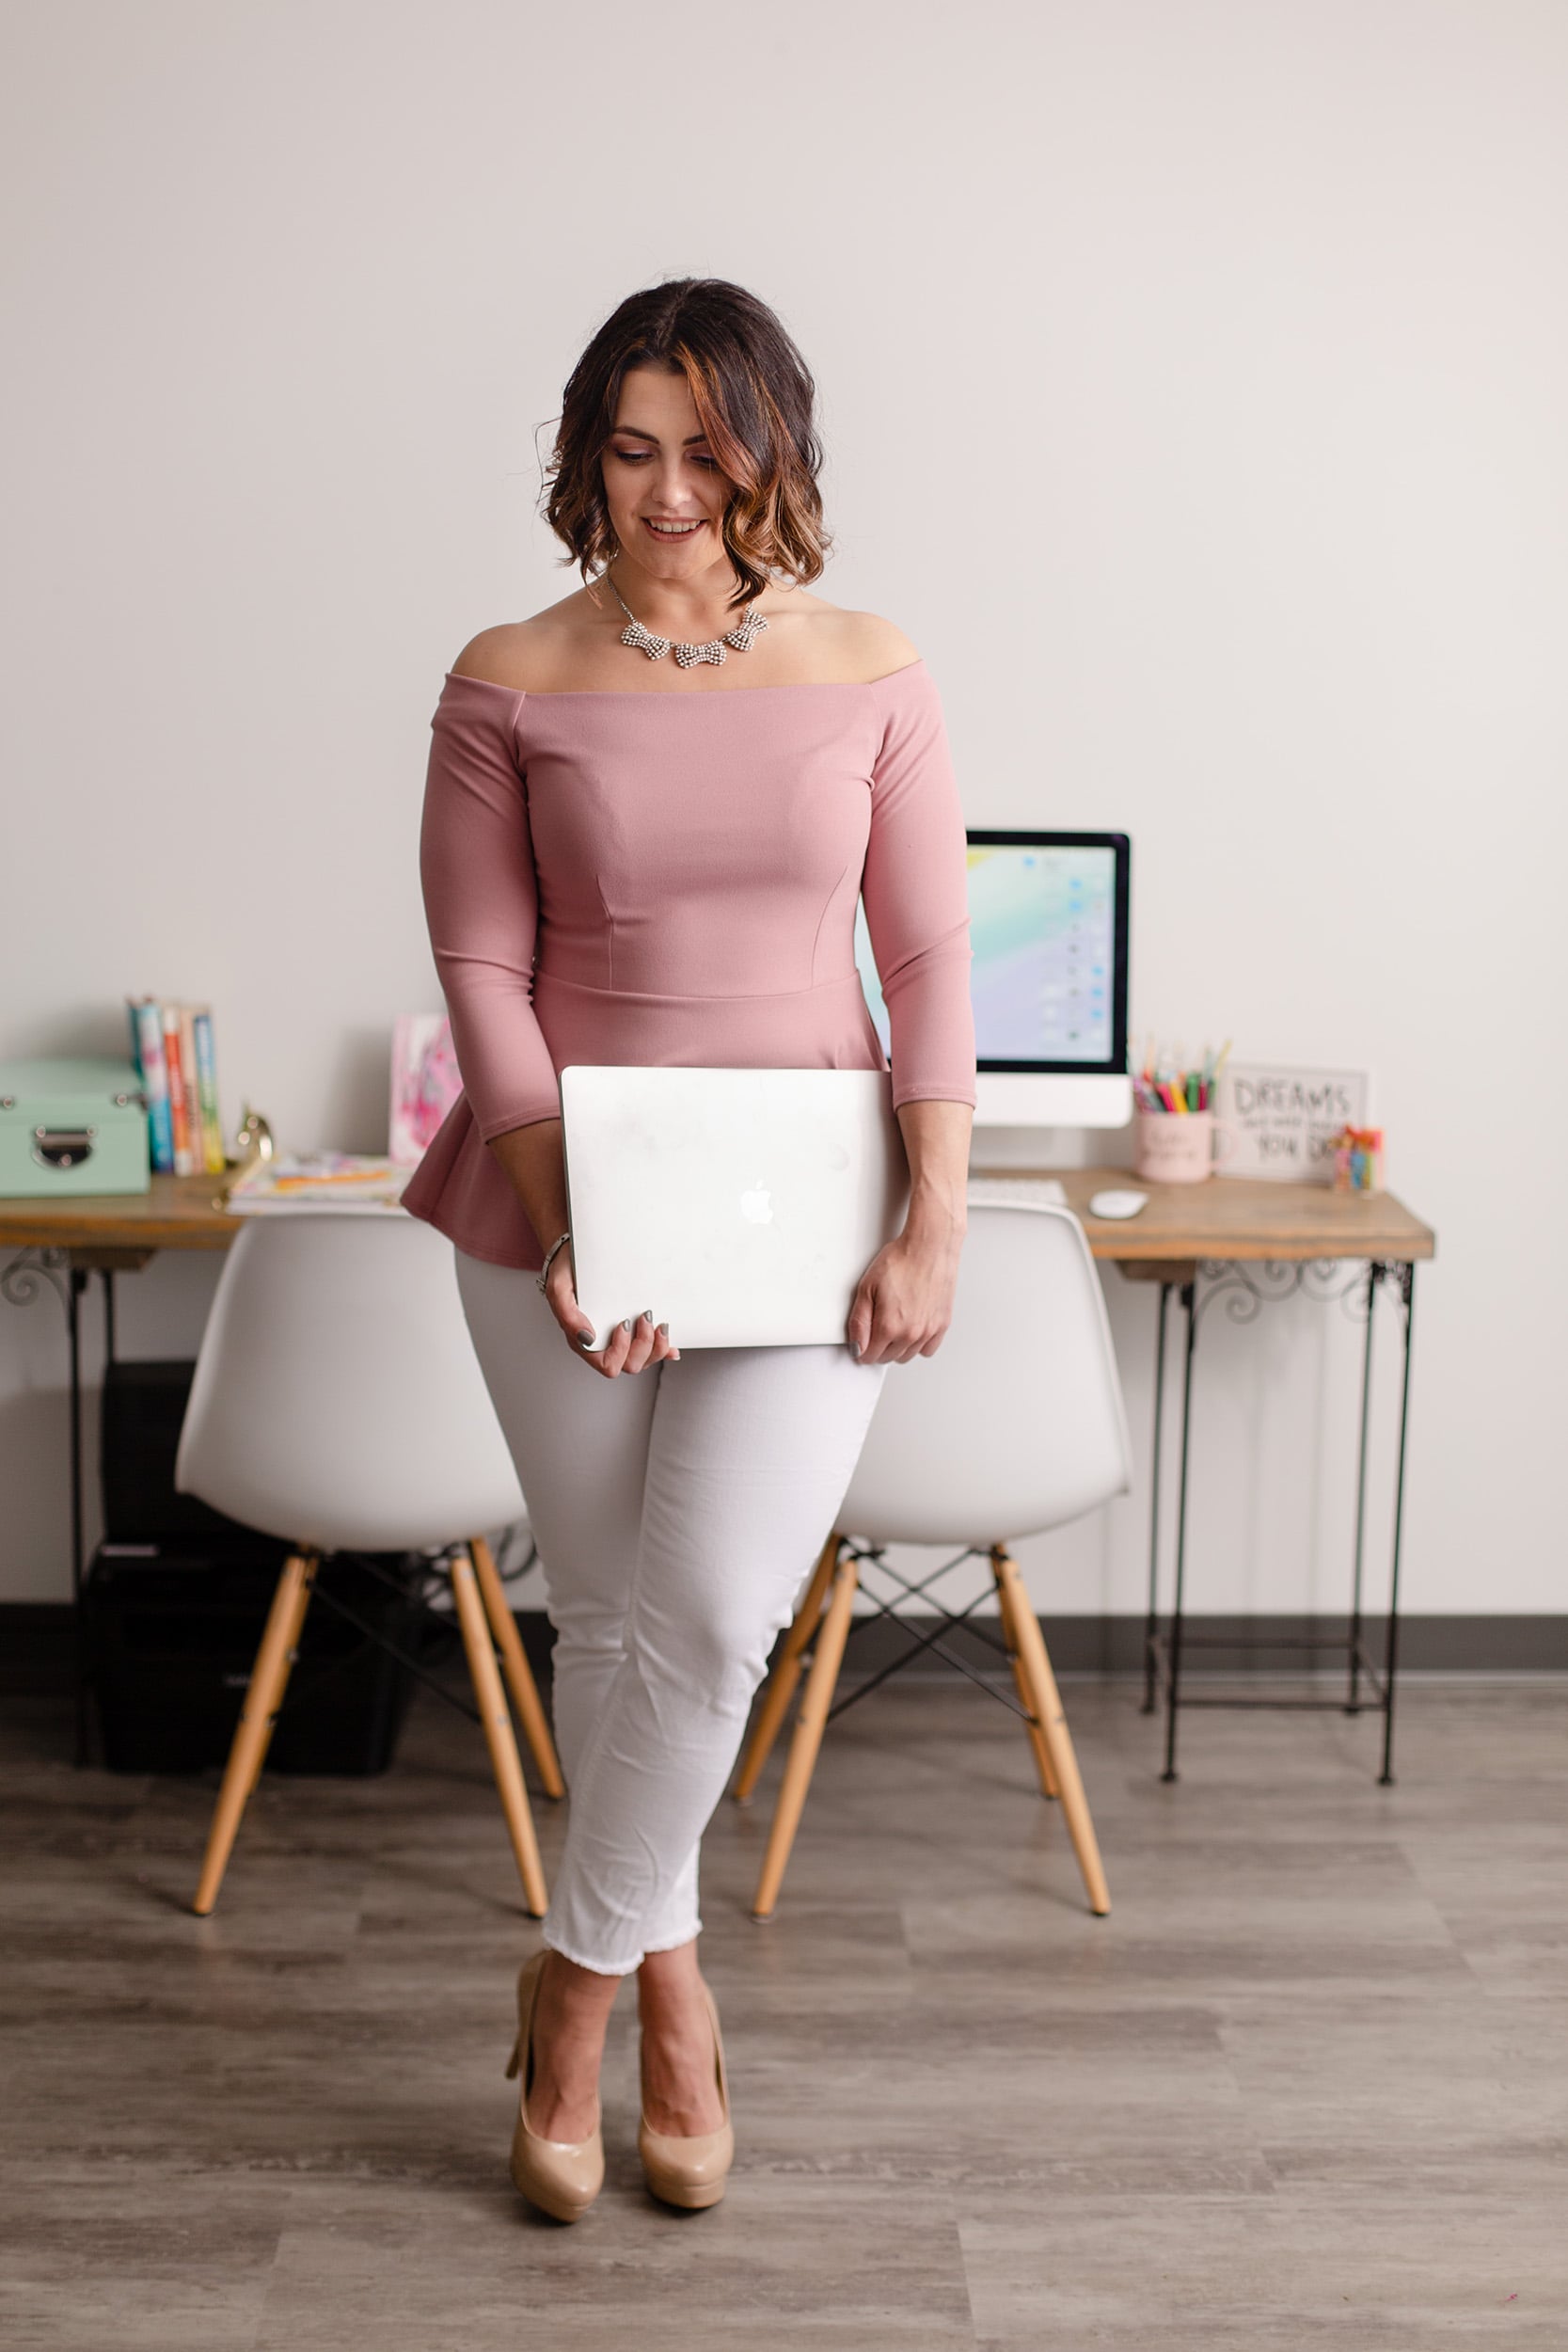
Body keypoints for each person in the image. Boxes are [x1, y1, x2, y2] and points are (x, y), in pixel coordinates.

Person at [401, 276, 977, 2220]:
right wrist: (571, 1220)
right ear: (586, 458)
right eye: (631, 449)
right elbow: (483, 962)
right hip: (558, 1208)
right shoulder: (507, 674)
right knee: (608, 1618)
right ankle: (678, 1987)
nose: (669, 491)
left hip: (809, 1212)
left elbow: (924, 957)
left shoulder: (874, 667)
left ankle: (572, 1989)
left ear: (772, 448)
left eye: (707, 448)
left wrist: (938, 1207)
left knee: (714, 1617)